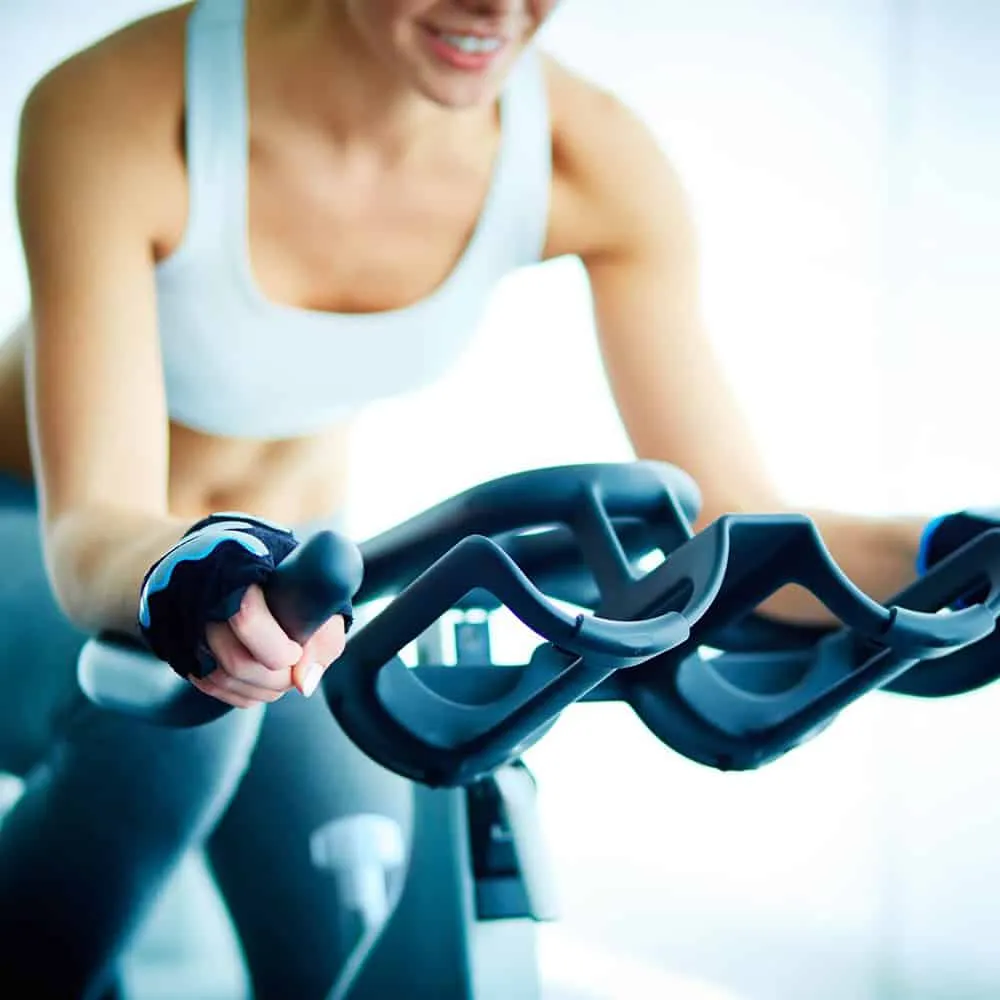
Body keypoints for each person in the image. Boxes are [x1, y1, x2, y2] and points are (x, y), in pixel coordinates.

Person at [0, 0, 940, 997]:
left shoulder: (591, 156)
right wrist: (187, 570)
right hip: (55, 530)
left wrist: (952, 560)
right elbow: (92, 525)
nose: (497, 7)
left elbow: (735, 529)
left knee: (360, 893)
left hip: (287, 596)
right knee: (172, 726)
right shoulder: (126, 105)